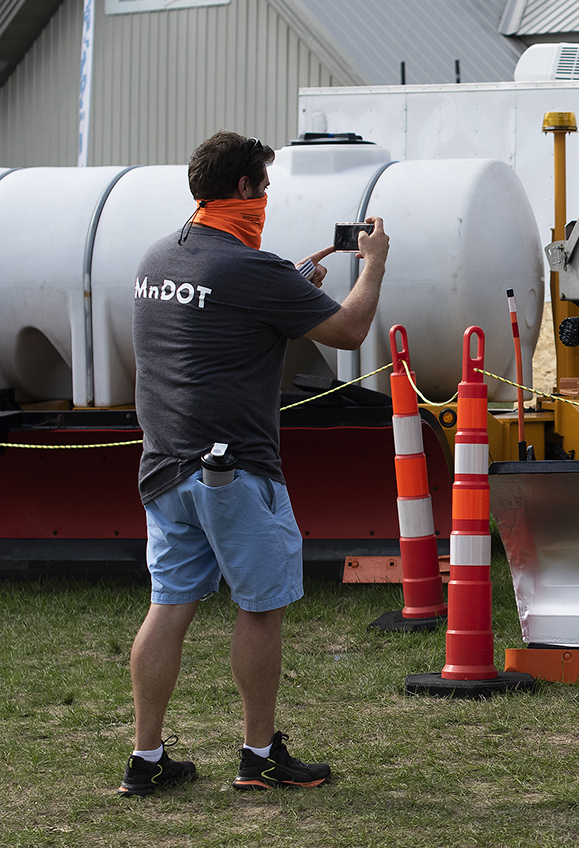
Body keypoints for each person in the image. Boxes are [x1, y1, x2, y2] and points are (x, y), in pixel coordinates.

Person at [119, 131, 390, 796]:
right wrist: (375, 264)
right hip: (234, 470)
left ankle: (145, 761)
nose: (266, 199)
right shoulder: (251, 269)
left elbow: (215, 321)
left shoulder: (159, 256)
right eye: (264, 187)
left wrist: (289, 287)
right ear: (243, 189)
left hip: (165, 466)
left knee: (169, 604)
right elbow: (351, 332)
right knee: (261, 608)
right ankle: (258, 755)